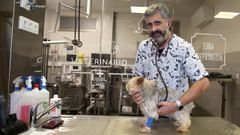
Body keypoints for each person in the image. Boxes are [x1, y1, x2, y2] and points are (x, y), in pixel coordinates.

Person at [131, 2, 210, 130]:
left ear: (168, 23)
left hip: (178, 118)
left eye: (158, 23)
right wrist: (136, 95)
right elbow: (137, 79)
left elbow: (203, 82)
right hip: (150, 117)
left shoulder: (183, 47)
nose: (153, 29)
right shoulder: (143, 47)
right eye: (149, 24)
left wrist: (176, 105)